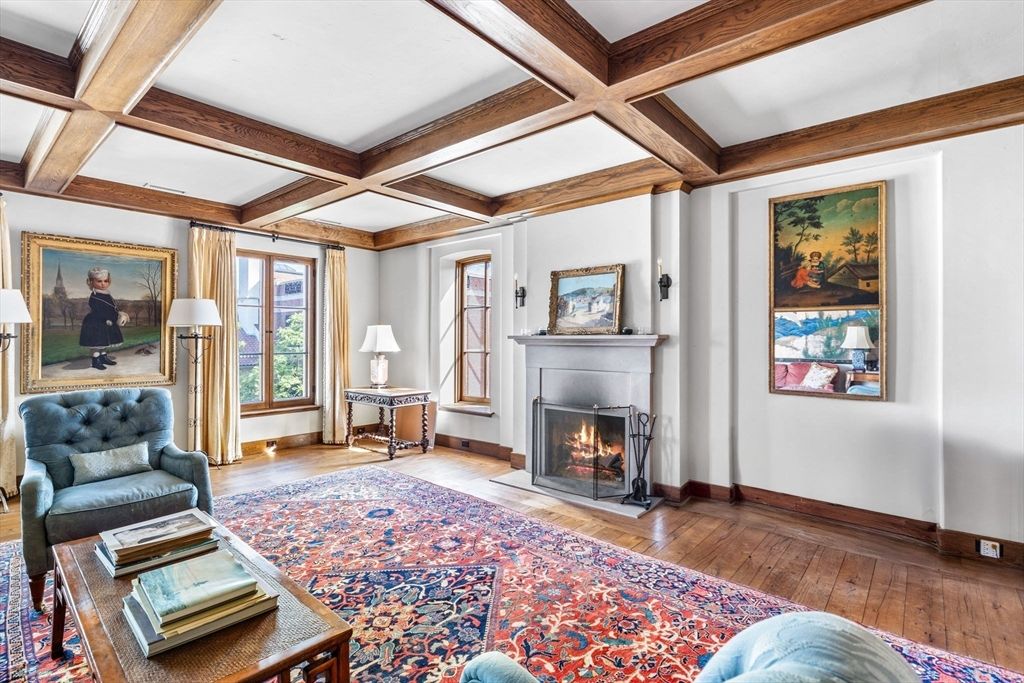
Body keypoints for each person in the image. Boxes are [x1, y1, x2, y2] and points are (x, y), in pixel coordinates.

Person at [78, 267, 129, 370]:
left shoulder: (107, 294)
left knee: (105, 341)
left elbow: (112, 308)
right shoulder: (95, 295)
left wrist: (118, 314)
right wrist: (106, 319)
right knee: (97, 343)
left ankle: (103, 357)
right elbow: (97, 310)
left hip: (108, 321)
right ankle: (95, 360)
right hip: (97, 322)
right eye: (99, 281)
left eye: (105, 281)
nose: (103, 284)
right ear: (92, 282)